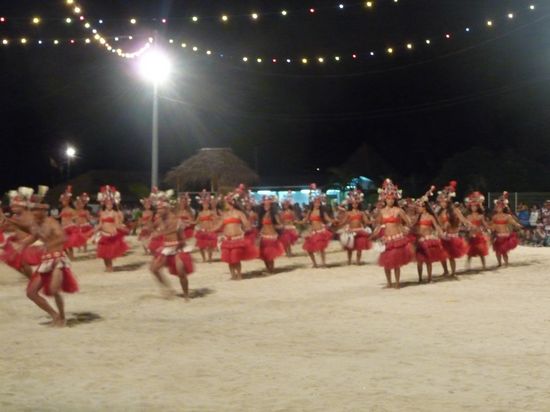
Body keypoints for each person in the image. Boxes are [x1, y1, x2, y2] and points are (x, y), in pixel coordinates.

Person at [17, 186, 79, 327]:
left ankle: (62, 317)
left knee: (54, 289)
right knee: (31, 293)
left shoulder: (51, 222)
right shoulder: (35, 225)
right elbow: (34, 236)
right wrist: (23, 244)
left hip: (58, 260)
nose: (35, 213)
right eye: (33, 210)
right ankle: (54, 315)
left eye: (38, 210)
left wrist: (47, 245)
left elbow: (63, 238)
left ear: (44, 211)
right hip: (45, 261)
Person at [149, 191, 194, 300]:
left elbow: (183, 239)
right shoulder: (160, 220)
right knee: (153, 269)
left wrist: (176, 245)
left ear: (166, 209)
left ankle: (186, 295)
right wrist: (153, 233)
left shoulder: (176, 220)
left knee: (181, 272)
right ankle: (168, 289)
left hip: (178, 248)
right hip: (166, 248)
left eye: (160, 209)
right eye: (157, 209)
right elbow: (152, 227)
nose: (158, 212)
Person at [372, 179, 413, 289]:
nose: (390, 200)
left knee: (396, 263)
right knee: (386, 263)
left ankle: (397, 282)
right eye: (388, 198)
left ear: (395, 199)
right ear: (385, 198)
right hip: (386, 239)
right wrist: (374, 234)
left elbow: (408, 222)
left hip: (397, 239)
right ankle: (389, 283)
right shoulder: (381, 212)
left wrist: (405, 229)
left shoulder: (399, 210)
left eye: (392, 198)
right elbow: (379, 225)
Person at [212, 186, 258, 280]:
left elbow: (246, 224)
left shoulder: (239, 213)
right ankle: (233, 275)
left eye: (225, 203)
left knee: (235, 256)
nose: (225, 205)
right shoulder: (224, 215)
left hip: (237, 239)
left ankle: (239, 274)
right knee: (229, 259)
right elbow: (218, 226)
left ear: (231, 203)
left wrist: (248, 227)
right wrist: (209, 230)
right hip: (227, 239)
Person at [0, 187, 42, 277]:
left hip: (28, 244)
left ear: (23, 206)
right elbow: (9, 226)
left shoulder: (30, 216)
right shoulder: (16, 216)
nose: (12, 208)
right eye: (12, 206)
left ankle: (33, 278)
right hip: (20, 243)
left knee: (23, 263)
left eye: (16, 206)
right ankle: (31, 278)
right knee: (17, 264)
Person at [436, 181, 470, 276]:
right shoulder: (441, 212)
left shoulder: (455, 210)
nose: (441, 203)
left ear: (448, 201)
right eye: (440, 202)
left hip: (453, 236)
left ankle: (453, 272)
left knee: (451, 256)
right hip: (444, 236)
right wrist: (441, 229)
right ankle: (445, 270)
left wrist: (467, 223)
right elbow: (439, 224)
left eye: (443, 201)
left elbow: (463, 219)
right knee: (442, 255)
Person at [414, 187, 447, 283]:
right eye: (418, 207)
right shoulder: (417, 217)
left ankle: (429, 278)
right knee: (419, 261)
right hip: (420, 241)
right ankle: (420, 278)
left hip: (429, 240)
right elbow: (412, 226)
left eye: (419, 207)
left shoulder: (430, 217)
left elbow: (436, 226)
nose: (418, 208)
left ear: (424, 207)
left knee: (428, 260)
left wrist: (442, 234)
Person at [299, 184, 334, 268]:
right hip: (313, 232)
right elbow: (305, 220)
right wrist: (298, 222)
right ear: (313, 203)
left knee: (321, 249)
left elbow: (327, 218)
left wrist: (333, 221)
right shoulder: (310, 211)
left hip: (320, 232)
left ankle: (323, 263)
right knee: (309, 249)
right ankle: (314, 263)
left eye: (318, 203)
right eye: (316, 203)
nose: (317, 204)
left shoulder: (321, 211)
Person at [95, 186, 128, 272]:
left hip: (111, 235)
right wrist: (93, 231)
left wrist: (124, 230)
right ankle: (107, 267)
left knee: (109, 253)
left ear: (113, 205)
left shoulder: (115, 213)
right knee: (103, 254)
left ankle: (110, 267)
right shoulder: (102, 213)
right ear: (105, 204)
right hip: (103, 234)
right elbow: (100, 224)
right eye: (108, 204)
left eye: (111, 204)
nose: (109, 205)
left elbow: (117, 225)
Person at [337, 189, 372, 265]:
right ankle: (349, 261)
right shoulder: (348, 213)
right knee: (350, 248)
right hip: (351, 231)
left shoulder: (361, 213)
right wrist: (337, 223)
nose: (355, 204)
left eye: (356, 203)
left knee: (359, 247)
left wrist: (373, 221)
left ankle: (358, 261)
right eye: (353, 203)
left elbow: (366, 222)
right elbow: (344, 221)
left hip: (360, 231)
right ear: (351, 204)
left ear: (358, 204)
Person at [491, 192, 522, 267]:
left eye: (500, 207)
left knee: (504, 251)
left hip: (505, 235)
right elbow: (492, 226)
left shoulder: (507, 216)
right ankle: (499, 264)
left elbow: (514, 222)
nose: (498, 208)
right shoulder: (494, 217)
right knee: (497, 252)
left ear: (503, 207)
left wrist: (518, 225)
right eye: (497, 207)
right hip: (498, 236)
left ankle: (506, 264)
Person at [258, 196, 285, 273]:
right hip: (263, 236)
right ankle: (268, 269)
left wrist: (274, 226)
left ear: (271, 205)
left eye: (268, 205)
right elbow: (261, 225)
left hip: (271, 236)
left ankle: (271, 269)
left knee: (269, 254)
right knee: (264, 255)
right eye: (264, 204)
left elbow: (280, 224)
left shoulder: (274, 214)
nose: (266, 206)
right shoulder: (262, 215)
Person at [59, 186, 87, 259]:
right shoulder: (62, 210)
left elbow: (76, 219)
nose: (62, 202)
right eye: (62, 201)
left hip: (70, 227)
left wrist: (78, 227)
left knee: (69, 244)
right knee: (62, 244)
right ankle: (69, 255)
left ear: (68, 202)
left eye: (64, 201)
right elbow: (61, 219)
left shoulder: (71, 210)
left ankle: (71, 256)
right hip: (63, 228)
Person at [464, 191, 490, 270]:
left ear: (477, 207)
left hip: (479, 235)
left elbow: (484, 224)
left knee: (481, 251)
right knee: (470, 252)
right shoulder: (468, 216)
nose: (473, 208)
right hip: (471, 235)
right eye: (472, 206)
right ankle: (468, 265)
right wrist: (468, 228)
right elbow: (466, 225)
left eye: (475, 206)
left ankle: (484, 265)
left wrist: (487, 228)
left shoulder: (480, 216)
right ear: (470, 207)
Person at [193, 190, 220, 263]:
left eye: (207, 204)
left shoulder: (211, 212)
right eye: (204, 204)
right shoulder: (200, 213)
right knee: (201, 246)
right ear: (202, 205)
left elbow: (217, 219)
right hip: (202, 231)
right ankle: (204, 258)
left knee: (210, 246)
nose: (205, 205)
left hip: (209, 230)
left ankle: (210, 258)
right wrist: (188, 222)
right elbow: (196, 222)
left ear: (208, 205)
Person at [279, 192, 300, 257]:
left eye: (286, 204)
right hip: (284, 228)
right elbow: (280, 220)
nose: (285, 205)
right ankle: (287, 253)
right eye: (284, 204)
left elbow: (295, 219)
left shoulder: (292, 212)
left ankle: (289, 253)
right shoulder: (281, 212)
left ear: (288, 205)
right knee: (285, 242)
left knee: (288, 242)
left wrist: (295, 222)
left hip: (290, 227)